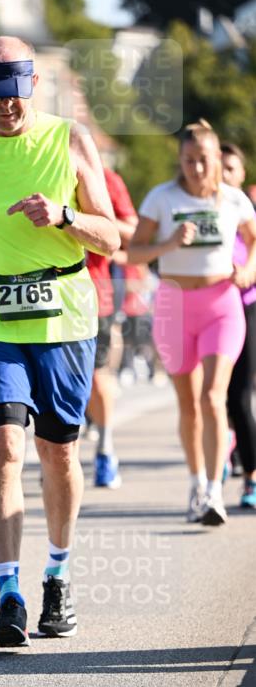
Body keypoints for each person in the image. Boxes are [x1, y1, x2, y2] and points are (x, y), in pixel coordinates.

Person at [0, 36, 119, 647]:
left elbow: (113, 236)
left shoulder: (69, 139)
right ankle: (8, 595)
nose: (6, 105)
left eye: (16, 90)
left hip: (63, 312)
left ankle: (57, 576)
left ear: (32, 85)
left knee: (58, 453)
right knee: (5, 444)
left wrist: (65, 217)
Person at [128, 121, 256, 525]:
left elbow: (254, 240)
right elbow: (132, 253)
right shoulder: (161, 199)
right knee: (189, 405)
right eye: (188, 161)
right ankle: (197, 481)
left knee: (214, 397)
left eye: (203, 161)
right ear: (179, 161)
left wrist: (248, 270)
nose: (197, 169)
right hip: (174, 305)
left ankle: (215, 493)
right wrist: (168, 244)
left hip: (222, 304)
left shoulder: (233, 200)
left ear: (216, 159)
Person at [85, 167, 138, 488]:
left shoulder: (105, 177)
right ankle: (59, 457)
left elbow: (133, 230)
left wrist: (87, 219)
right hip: (42, 295)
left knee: (96, 377)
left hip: (93, 292)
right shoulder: (31, 167)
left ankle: (105, 449)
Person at [220, 142, 256, 509]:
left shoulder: (248, 209)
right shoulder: (203, 208)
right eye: (221, 168)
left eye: (232, 168)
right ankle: (213, 469)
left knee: (240, 395)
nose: (225, 175)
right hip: (207, 309)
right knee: (215, 396)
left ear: (242, 174)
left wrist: (247, 272)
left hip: (246, 307)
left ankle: (251, 477)